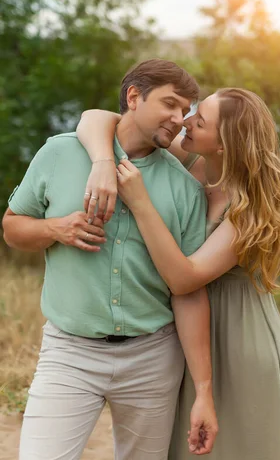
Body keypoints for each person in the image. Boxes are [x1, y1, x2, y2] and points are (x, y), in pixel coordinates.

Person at [2, 59, 218, 460]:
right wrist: (56, 230)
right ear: (133, 97)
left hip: (153, 358)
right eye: (170, 103)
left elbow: (188, 292)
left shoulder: (185, 189)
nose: (179, 118)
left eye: (186, 109)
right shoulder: (60, 153)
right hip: (69, 354)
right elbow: (12, 228)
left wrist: (203, 389)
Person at [76, 86, 280, 460]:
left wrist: (141, 201)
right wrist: (101, 161)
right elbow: (93, 119)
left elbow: (185, 278)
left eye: (200, 120)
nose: (185, 121)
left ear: (225, 144)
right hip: (186, 329)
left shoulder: (251, 207)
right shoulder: (189, 158)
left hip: (238, 338)